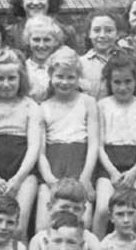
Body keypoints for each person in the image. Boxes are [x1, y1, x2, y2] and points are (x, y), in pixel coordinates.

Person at [0, 48, 41, 236]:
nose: (6, 84)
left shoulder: (30, 106)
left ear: (21, 79)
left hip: (23, 174)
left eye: (12, 78)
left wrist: (18, 179)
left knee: (18, 228)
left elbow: (34, 146)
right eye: (0, 79)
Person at [36, 46, 98, 231]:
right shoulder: (43, 106)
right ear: (50, 75)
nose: (65, 82)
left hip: (80, 164)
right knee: (44, 225)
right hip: (53, 167)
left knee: (83, 223)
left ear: (78, 77)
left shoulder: (87, 102)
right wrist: (49, 179)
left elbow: (94, 143)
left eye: (71, 77)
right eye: (59, 76)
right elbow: (40, 151)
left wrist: (86, 177)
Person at [93, 52, 136, 237]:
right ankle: (98, 248)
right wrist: (112, 172)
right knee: (103, 209)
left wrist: (134, 172)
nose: (123, 87)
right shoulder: (102, 105)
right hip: (109, 163)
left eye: (128, 81)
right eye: (117, 82)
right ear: (109, 83)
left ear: (135, 80)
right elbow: (99, 145)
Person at [7, 0, 77, 52]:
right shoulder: (10, 33)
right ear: (21, 1)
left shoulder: (67, 33)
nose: (36, 2)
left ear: (50, 0)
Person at [79, 9, 124, 100]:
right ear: (89, 33)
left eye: (109, 30)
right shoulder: (80, 64)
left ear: (118, 34)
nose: (102, 35)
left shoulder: (126, 61)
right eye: (96, 30)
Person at [23, 15, 64, 103]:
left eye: (47, 40)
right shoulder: (22, 69)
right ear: (28, 40)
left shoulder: (61, 68)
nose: (41, 45)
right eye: (36, 40)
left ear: (56, 41)